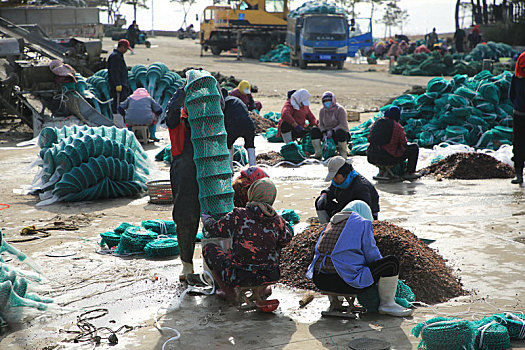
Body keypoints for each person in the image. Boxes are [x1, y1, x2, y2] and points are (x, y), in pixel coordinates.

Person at [306, 200, 413, 317]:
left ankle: (335, 302)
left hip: (320, 280)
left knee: (333, 261)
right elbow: (372, 256)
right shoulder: (362, 223)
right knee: (391, 263)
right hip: (343, 283)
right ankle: (387, 304)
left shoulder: (330, 224)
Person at [201, 178, 293, 301]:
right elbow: (286, 240)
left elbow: (215, 229)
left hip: (239, 276)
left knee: (209, 248)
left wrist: (207, 219)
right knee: (274, 248)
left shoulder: (239, 215)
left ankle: (229, 292)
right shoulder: (278, 221)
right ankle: (262, 290)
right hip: (270, 275)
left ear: (252, 193)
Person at [165, 84, 200, 281]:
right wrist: (183, 90)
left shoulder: (207, 122)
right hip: (184, 172)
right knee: (185, 217)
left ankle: (213, 265)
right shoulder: (178, 119)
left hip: (206, 171)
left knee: (213, 217)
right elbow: (170, 113)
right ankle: (187, 264)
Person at [315, 156, 380, 223]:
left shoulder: (361, 187)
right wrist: (324, 194)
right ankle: (324, 225)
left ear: (344, 173)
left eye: (335, 176)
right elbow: (331, 190)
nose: (333, 179)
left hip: (364, 216)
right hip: (345, 208)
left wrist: (338, 214)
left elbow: (363, 210)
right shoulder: (339, 181)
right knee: (322, 202)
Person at [366, 106, 421, 180]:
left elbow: (369, 138)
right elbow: (403, 142)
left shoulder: (377, 123)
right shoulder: (397, 127)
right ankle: (409, 173)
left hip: (371, 156)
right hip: (387, 158)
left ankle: (386, 171)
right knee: (414, 148)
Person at [221, 89, 257, 169]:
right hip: (248, 124)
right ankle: (253, 168)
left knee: (228, 145)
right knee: (250, 146)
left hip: (234, 126)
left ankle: (230, 170)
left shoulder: (223, 102)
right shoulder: (236, 100)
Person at [310, 91, 350, 160]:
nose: (327, 103)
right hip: (326, 133)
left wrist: (332, 131)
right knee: (314, 130)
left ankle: (343, 153)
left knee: (340, 132)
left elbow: (343, 124)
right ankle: (318, 153)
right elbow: (321, 124)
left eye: (329, 101)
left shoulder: (340, 110)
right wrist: (324, 132)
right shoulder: (322, 111)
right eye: (325, 101)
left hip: (338, 133)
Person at [509, 51, 525, 184]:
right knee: (518, 144)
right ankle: (518, 174)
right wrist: (518, 105)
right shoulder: (516, 78)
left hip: (519, 112)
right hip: (519, 114)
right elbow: (511, 95)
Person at [107, 39, 131, 113]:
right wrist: (117, 84)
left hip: (121, 85)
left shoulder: (118, 56)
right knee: (118, 104)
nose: (126, 51)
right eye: (126, 49)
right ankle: (117, 120)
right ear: (122, 47)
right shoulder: (115, 57)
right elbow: (115, 72)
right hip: (118, 87)